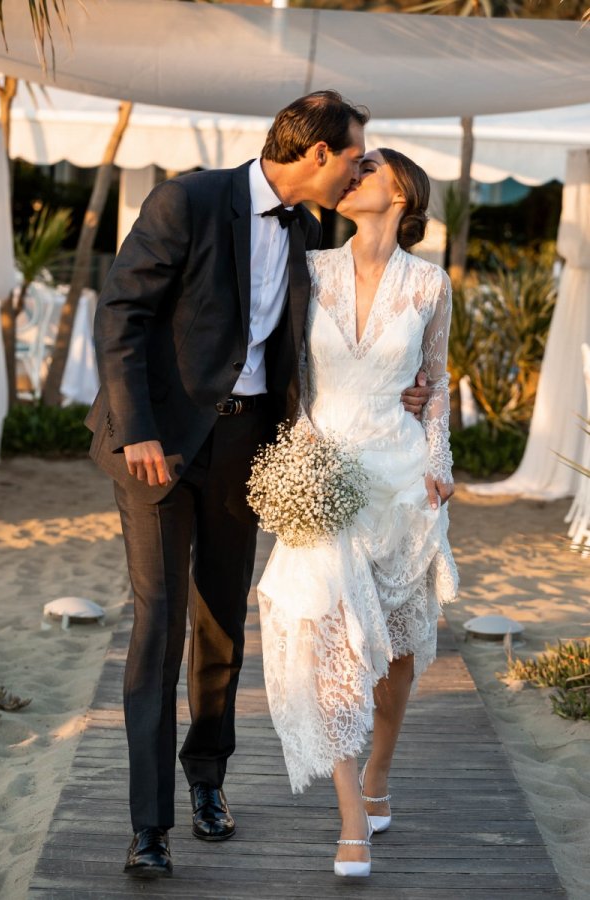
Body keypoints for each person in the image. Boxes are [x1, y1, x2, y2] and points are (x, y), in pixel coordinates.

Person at [87, 93, 431, 879]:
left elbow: (324, 347)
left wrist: (413, 393)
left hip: (249, 446)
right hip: (157, 446)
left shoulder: (310, 231)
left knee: (221, 623)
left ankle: (207, 781)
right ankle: (149, 827)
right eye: (353, 155)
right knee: (159, 623)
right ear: (316, 154)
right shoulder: (189, 199)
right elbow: (122, 314)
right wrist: (138, 426)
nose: (356, 170)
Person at [257, 148, 459, 877]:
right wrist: (297, 453)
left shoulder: (431, 284)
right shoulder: (310, 270)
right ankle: (351, 820)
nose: (351, 176)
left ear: (401, 191)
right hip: (325, 475)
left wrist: (438, 459)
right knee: (330, 648)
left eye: (367, 167)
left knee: (396, 653)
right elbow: (287, 370)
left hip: (402, 483)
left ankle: (378, 775)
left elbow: (435, 383)